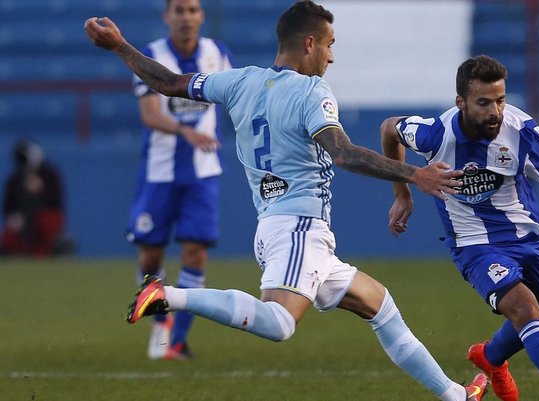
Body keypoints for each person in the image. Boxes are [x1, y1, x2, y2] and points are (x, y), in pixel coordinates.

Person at [84, 2, 489, 400]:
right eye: (330, 44)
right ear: (309, 43)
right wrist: (414, 174)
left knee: (381, 307)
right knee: (279, 323)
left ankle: (456, 395)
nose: (332, 57)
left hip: (284, 229)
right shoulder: (312, 91)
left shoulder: (238, 81)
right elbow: (343, 153)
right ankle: (167, 296)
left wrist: (120, 46)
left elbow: (170, 83)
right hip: (298, 228)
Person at [380, 55, 539, 401]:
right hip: (474, 244)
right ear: (460, 103)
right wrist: (402, 192)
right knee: (526, 312)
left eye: (500, 100)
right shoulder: (435, 134)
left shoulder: (522, 132)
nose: (495, 111)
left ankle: (490, 357)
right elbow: (389, 128)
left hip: (527, 236)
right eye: (483, 103)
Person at [126, 0, 233, 360]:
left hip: (203, 174)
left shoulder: (216, 53)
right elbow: (150, 115)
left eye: (192, 10)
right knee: (150, 254)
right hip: (159, 173)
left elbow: (234, 100)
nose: (186, 17)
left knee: (195, 252)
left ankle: (177, 342)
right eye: (179, 10)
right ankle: (160, 320)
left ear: (201, 16)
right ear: (166, 16)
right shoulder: (150, 55)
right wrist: (186, 132)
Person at [1, 140, 69, 257]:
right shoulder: (15, 179)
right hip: (22, 221)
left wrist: (41, 190)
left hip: (44, 218)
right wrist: (15, 216)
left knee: (47, 224)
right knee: (9, 237)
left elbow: (56, 202)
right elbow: (8, 206)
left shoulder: (49, 175)